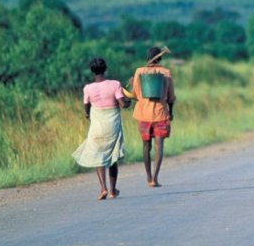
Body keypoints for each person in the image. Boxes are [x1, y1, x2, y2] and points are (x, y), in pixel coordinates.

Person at [72, 57, 129, 200]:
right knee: (112, 157)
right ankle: (112, 190)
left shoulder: (88, 88)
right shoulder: (115, 84)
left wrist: (87, 114)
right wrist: (130, 102)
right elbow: (123, 104)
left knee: (99, 156)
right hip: (112, 125)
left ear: (92, 71)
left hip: (97, 126)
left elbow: (87, 108)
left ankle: (103, 188)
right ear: (105, 68)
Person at [130, 46, 176, 188]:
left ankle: (148, 176)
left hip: (143, 115)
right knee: (159, 146)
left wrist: (132, 83)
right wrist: (171, 111)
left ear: (147, 58)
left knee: (146, 146)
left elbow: (135, 95)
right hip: (161, 114)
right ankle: (155, 178)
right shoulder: (166, 73)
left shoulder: (139, 72)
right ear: (160, 58)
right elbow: (171, 97)